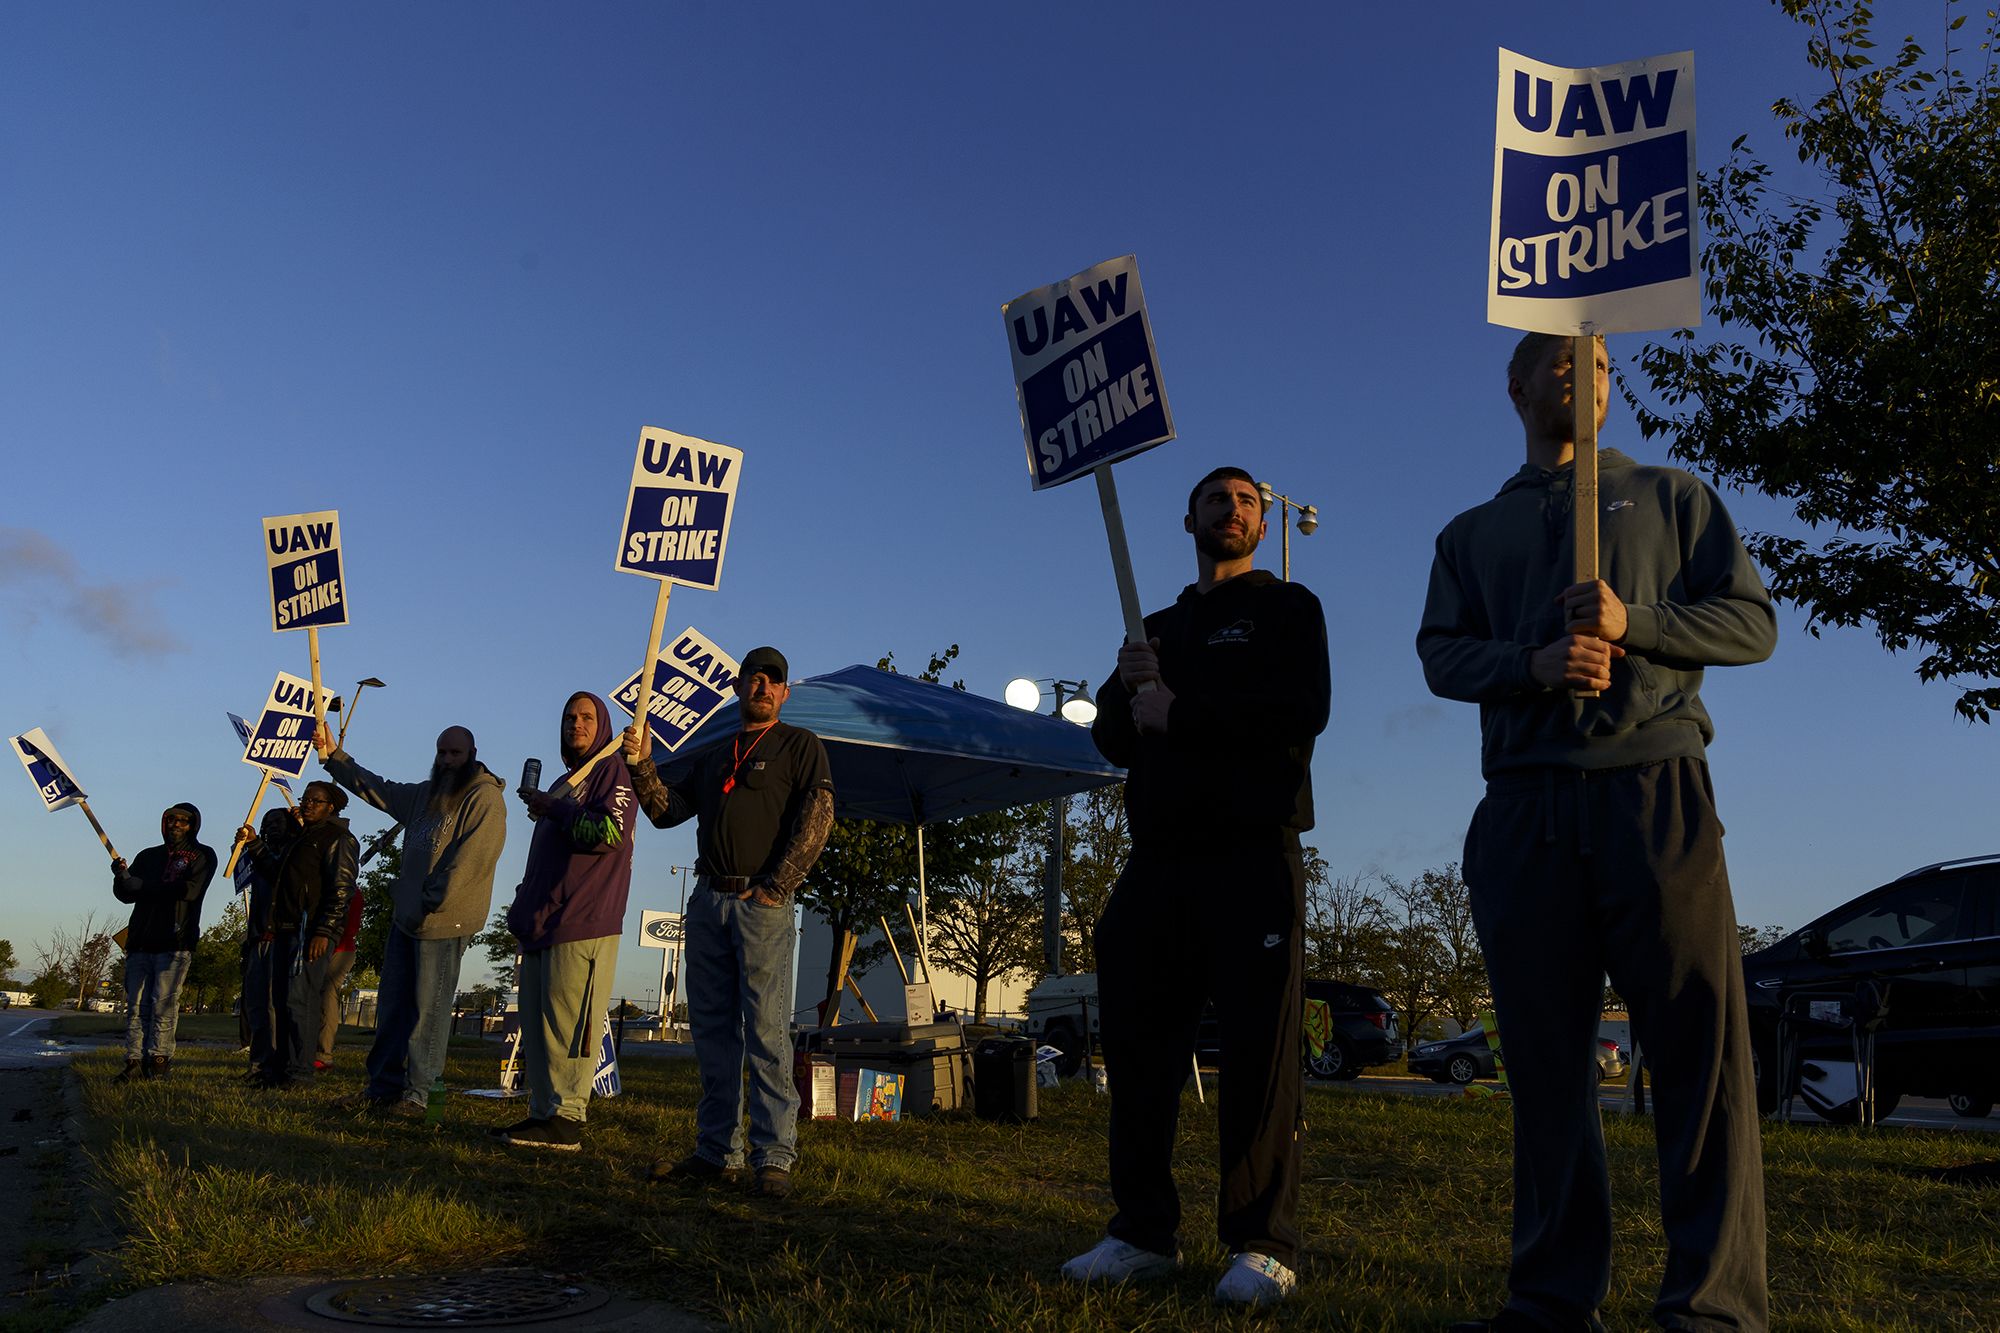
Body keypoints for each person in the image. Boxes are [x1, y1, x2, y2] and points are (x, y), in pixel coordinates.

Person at [1417, 332, 1776, 1333]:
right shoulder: (1470, 532)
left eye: (1604, 364)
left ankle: (1711, 1309)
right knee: (1541, 1063)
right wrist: (1529, 665)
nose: (1587, 373)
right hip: (1524, 807)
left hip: (1650, 791)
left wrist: (1636, 622)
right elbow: (1439, 654)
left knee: (1698, 1056)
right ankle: (1548, 1299)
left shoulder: (1670, 495)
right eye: (1563, 359)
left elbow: (1750, 624)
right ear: (1516, 384)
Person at [1062, 467, 1330, 1307]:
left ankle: (1261, 1240)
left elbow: (1301, 708)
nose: (1235, 509)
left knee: (1258, 1054)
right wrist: (1129, 680)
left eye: (1248, 500)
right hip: (1160, 861)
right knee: (1140, 1053)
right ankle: (1142, 1231)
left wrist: (1179, 711)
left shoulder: (1289, 609)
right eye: (1219, 499)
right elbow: (1113, 736)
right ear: (1189, 520)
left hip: (1252, 855)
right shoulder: (1162, 624)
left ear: (1262, 519)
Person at [623, 646, 835, 1198]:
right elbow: (667, 811)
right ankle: (718, 1151)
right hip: (708, 902)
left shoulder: (801, 746)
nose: (762, 686)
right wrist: (642, 764)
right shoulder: (717, 754)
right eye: (753, 678)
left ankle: (773, 1157)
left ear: (785, 694)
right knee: (714, 1033)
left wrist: (777, 887)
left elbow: (819, 816)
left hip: (760, 904)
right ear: (739, 687)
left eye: (773, 681)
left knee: (766, 1033)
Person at [315, 723, 507, 1119]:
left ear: (472, 754)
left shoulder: (484, 798)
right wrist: (335, 758)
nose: (447, 760)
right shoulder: (423, 795)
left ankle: (419, 1096)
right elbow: (378, 789)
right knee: (392, 1008)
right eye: (442, 753)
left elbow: (470, 863)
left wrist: (427, 902)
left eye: (455, 753)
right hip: (407, 920)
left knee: (429, 1012)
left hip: (444, 921)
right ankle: (383, 1088)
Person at [491, 692, 635, 1152]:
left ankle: (568, 1117)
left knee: (569, 1026)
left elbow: (610, 833)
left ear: (604, 726)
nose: (576, 724)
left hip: (584, 919)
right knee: (539, 1026)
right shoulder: (566, 779)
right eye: (569, 717)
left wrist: (557, 809)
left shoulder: (613, 772)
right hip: (543, 922)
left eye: (587, 717)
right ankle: (543, 1114)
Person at [234, 781, 359, 1089]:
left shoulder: (339, 838)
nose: (307, 804)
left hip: (311, 932)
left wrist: (324, 931)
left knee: (299, 1000)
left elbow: (342, 890)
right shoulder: (301, 838)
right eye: (306, 799)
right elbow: (277, 873)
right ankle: (276, 1071)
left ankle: (301, 1071)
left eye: (316, 801)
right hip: (285, 929)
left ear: (331, 807)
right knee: (279, 999)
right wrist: (254, 844)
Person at [110, 803, 218, 1081]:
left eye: (183, 821)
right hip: (140, 940)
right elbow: (126, 895)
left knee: (163, 1004)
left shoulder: (202, 855)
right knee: (135, 1005)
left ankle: (159, 1059)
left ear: (193, 825)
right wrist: (120, 878)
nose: (175, 825)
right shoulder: (148, 856)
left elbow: (190, 891)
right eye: (170, 819)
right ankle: (134, 1060)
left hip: (175, 941)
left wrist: (144, 887)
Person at [234, 807, 294, 1079]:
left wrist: (255, 844)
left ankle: (274, 1062)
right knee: (256, 1005)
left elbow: (279, 877)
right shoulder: (257, 856)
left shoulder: (291, 854)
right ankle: (258, 1062)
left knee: (272, 1004)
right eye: (267, 823)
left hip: (278, 936)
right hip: (258, 935)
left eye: (278, 822)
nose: (271, 827)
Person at [311, 875, 364, 1071]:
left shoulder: (348, 892)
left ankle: (323, 1052)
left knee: (327, 993)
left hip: (339, 949)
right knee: (322, 994)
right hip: (339, 947)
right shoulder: (351, 891)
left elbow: (349, 927)